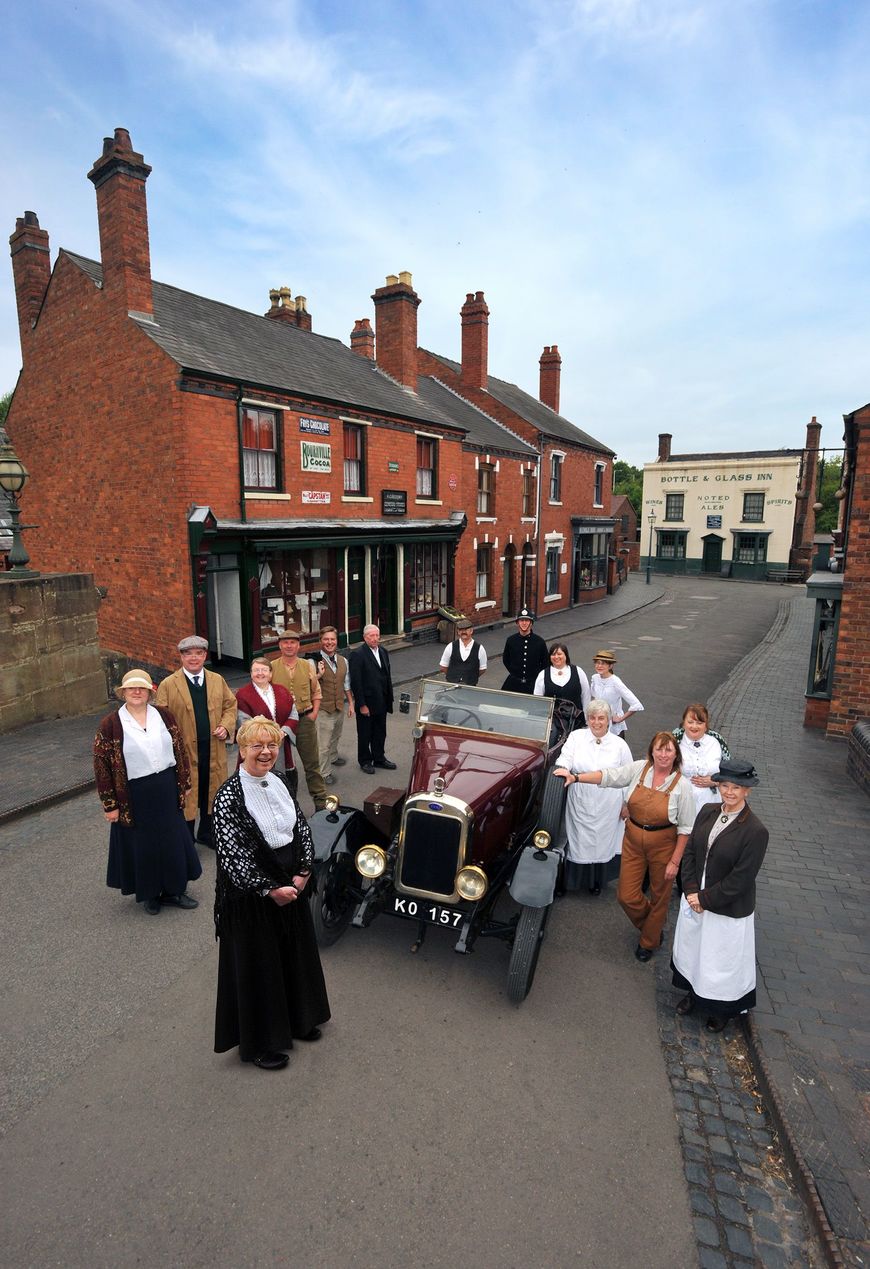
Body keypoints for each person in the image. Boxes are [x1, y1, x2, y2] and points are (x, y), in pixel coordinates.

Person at [212, 716, 331, 1070]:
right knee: (260, 966)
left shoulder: (279, 780)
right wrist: (269, 890)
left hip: (290, 882)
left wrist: (304, 870)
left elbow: (300, 826)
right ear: (241, 750)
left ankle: (299, 1019)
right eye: (257, 746)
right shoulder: (228, 796)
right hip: (253, 896)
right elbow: (232, 857)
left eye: (271, 745)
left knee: (293, 955)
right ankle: (261, 1043)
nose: (265, 753)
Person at [560, 732, 696, 962]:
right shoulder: (640, 769)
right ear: (652, 751)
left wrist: (675, 861)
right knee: (626, 896)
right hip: (633, 842)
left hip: (663, 846)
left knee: (660, 896)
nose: (663, 754)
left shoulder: (682, 786)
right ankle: (651, 925)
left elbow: (686, 829)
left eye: (668, 750)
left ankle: (649, 941)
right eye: (659, 749)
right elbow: (609, 776)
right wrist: (576, 778)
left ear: (676, 755)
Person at [672, 758, 769, 1033]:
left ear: (747, 790)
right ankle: (694, 994)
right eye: (725, 785)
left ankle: (722, 1009)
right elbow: (690, 851)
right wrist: (691, 890)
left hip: (726, 908)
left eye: (737, 787)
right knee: (695, 951)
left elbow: (741, 879)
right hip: (695, 897)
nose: (729, 791)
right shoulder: (707, 811)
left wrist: (705, 899)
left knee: (721, 960)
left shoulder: (756, 831)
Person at [94, 669, 201, 916]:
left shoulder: (164, 716)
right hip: (133, 793)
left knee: (173, 840)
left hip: (165, 786)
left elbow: (180, 750)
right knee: (144, 845)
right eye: (131, 688)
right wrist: (110, 804)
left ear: (149, 692)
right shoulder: (110, 724)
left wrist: (184, 784)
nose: (137, 692)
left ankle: (175, 891)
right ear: (123, 693)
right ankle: (150, 894)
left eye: (141, 688)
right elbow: (102, 766)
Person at [155, 635, 237, 847]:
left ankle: (207, 834)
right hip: (183, 750)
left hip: (213, 747)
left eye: (198, 653)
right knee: (187, 792)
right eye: (188, 653)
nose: (193, 658)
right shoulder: (168, 684)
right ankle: (186, 838)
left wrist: (226, 726)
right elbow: (161, 717)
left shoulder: (217, 680)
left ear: (204, 655)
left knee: (213, 789)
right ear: (181, 656)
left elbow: (230, 705)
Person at [555, 700, 631, 895]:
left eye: (601, 718)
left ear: (608, 720)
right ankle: (570, 882)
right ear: (587, 719)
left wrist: (626, 804)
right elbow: (565, 757)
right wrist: (562, 767)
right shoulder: (576, 737)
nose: (596, 722)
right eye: (592, 718)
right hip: (580, 795)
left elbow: (630, 777)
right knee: (577, 839)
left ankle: (596, 881)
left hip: (608, 801)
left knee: (601, 840)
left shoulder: (619, 745)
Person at [269, 629, 327, 811]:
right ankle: (284, 805)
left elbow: (316, 692)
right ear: (279, 645)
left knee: (312, 764)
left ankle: (320, 803)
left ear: (298, 645)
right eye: (285, 642)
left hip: (304, 719)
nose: (289, 646)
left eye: (292, 642)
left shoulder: (307, 665)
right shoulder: (271, 666)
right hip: (280, 724)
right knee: (281, 766)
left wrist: (314, 713)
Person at [235, 657, 299, 793]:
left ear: (270, 674)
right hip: (257, 747)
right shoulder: (243, 695)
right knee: (259, 784)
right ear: (251, 673)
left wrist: (283, 732)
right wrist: (268, 736)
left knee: (282, 781)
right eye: (256, 670)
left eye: (264, 670)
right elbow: (244, 722)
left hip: (281, 743)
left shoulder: (282, 690)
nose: (260, 673)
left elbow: (293, 715)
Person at [309, 626, 354, 786]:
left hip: (339, 706)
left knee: (336, 735)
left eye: (332, 639)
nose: (329, 642)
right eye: (326, 639)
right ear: (320, 641)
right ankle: (323, 772)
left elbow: (346, 684)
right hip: (322, 709)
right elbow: (307, 685)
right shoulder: (312, 661)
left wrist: (351, 704)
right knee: (323, 744)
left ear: (336, 641)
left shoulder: (343, 661)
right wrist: (318, 675)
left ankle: (333, 757)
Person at [348, 624, 395, 775]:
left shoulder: (383, 651)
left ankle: (379, 758)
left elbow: (386, 676)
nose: (375, 639)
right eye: (371, 636)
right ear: (364, 637)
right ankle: (365, 761)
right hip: (367, 702)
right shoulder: (357, 654)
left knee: (380, 732)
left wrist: (389, 698)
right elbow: (356, 682)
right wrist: (361, 704)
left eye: (377, 636)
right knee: (365, 733)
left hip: (382, 700)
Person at [674, 702, 730, 817]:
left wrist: (715, 781)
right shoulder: (674, 742)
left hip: (711, 803)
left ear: (706, 725)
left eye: (699, 723)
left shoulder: (717, 742)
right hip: (682, 803)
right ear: (683, 723)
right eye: (690, 722)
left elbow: (730, 773)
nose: (694, 726)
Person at [533, 642, 591, 728]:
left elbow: (586, 696)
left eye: (559, 654)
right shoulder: (543, 674)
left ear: (566, 655)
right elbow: (538, 700)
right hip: (552, 725)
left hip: (576, 722)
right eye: (553, 654)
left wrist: (587, 719)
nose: (556, 657)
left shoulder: (578, 671)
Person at [589, 650, 644, 738]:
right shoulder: (595, 678)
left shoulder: (616, 682)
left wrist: (620, 719)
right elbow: (595, 698)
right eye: (597, 663)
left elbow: (636, 704)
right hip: (597, 724)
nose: (599, 666)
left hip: (612, 729)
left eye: (603, 663)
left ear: (610, 666)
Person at [501, 607, 549, 694]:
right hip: (514, 683)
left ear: (531, 623)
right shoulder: (511, 640)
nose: (524, 623)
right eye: (521, 620)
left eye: (527, 620)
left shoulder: (540, 642)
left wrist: (536, 676)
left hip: (533, 683)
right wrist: (515, 672)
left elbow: (545, 663)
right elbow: (506, 660)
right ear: (517, 623)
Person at [439, 619, 487, 684]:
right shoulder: (450, 646)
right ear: (458, 632)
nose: (463, 632)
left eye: (466, 630)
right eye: (461, 630)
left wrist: (472, 677)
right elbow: (443, 667)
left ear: (471, 631)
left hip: (470, 687)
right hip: (452, 685)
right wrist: (452, 677)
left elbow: (482, 669)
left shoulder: (480, 648)